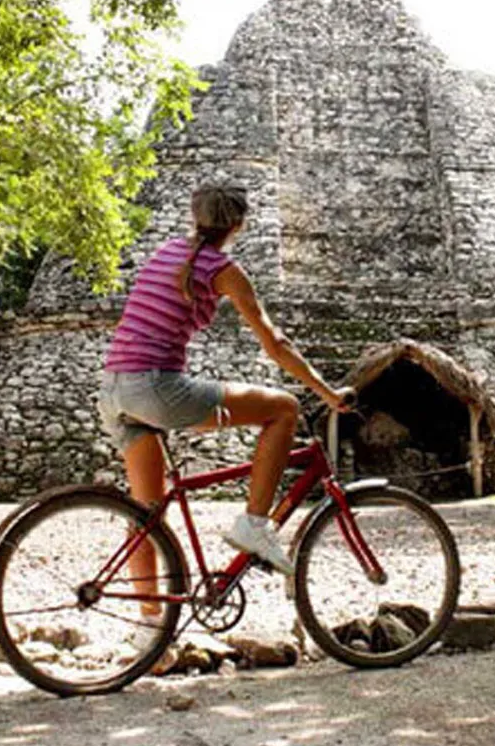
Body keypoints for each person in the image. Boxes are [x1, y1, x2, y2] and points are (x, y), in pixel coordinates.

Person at [99, 181, 351, 600]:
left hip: (114, 390)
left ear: (195, 217)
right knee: (284, 409)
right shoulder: (223, 270)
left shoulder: (167, 252)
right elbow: (276, 344)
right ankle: (255, 525)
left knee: (145, 517)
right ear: (238, 224)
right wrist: (327, 393)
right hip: (156, 389)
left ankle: (150, 636)